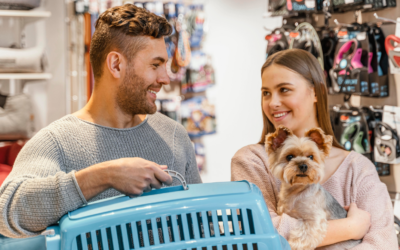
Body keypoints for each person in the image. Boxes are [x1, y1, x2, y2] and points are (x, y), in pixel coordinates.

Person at [0, 5, 202, 238]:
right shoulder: (56, 142)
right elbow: (7, 213)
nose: (165, 78)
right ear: (116, 65)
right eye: (155, 65)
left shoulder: (175, 136)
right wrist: (104, 175)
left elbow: (201, 222)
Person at [231, 49, 397, 249]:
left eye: (284, 89)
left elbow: (383, 243)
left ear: (316, 93)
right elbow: (255, 232)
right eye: (266, 93)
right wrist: (350, 227)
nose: (272, 103)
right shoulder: (251, 161)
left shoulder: (358, 169)